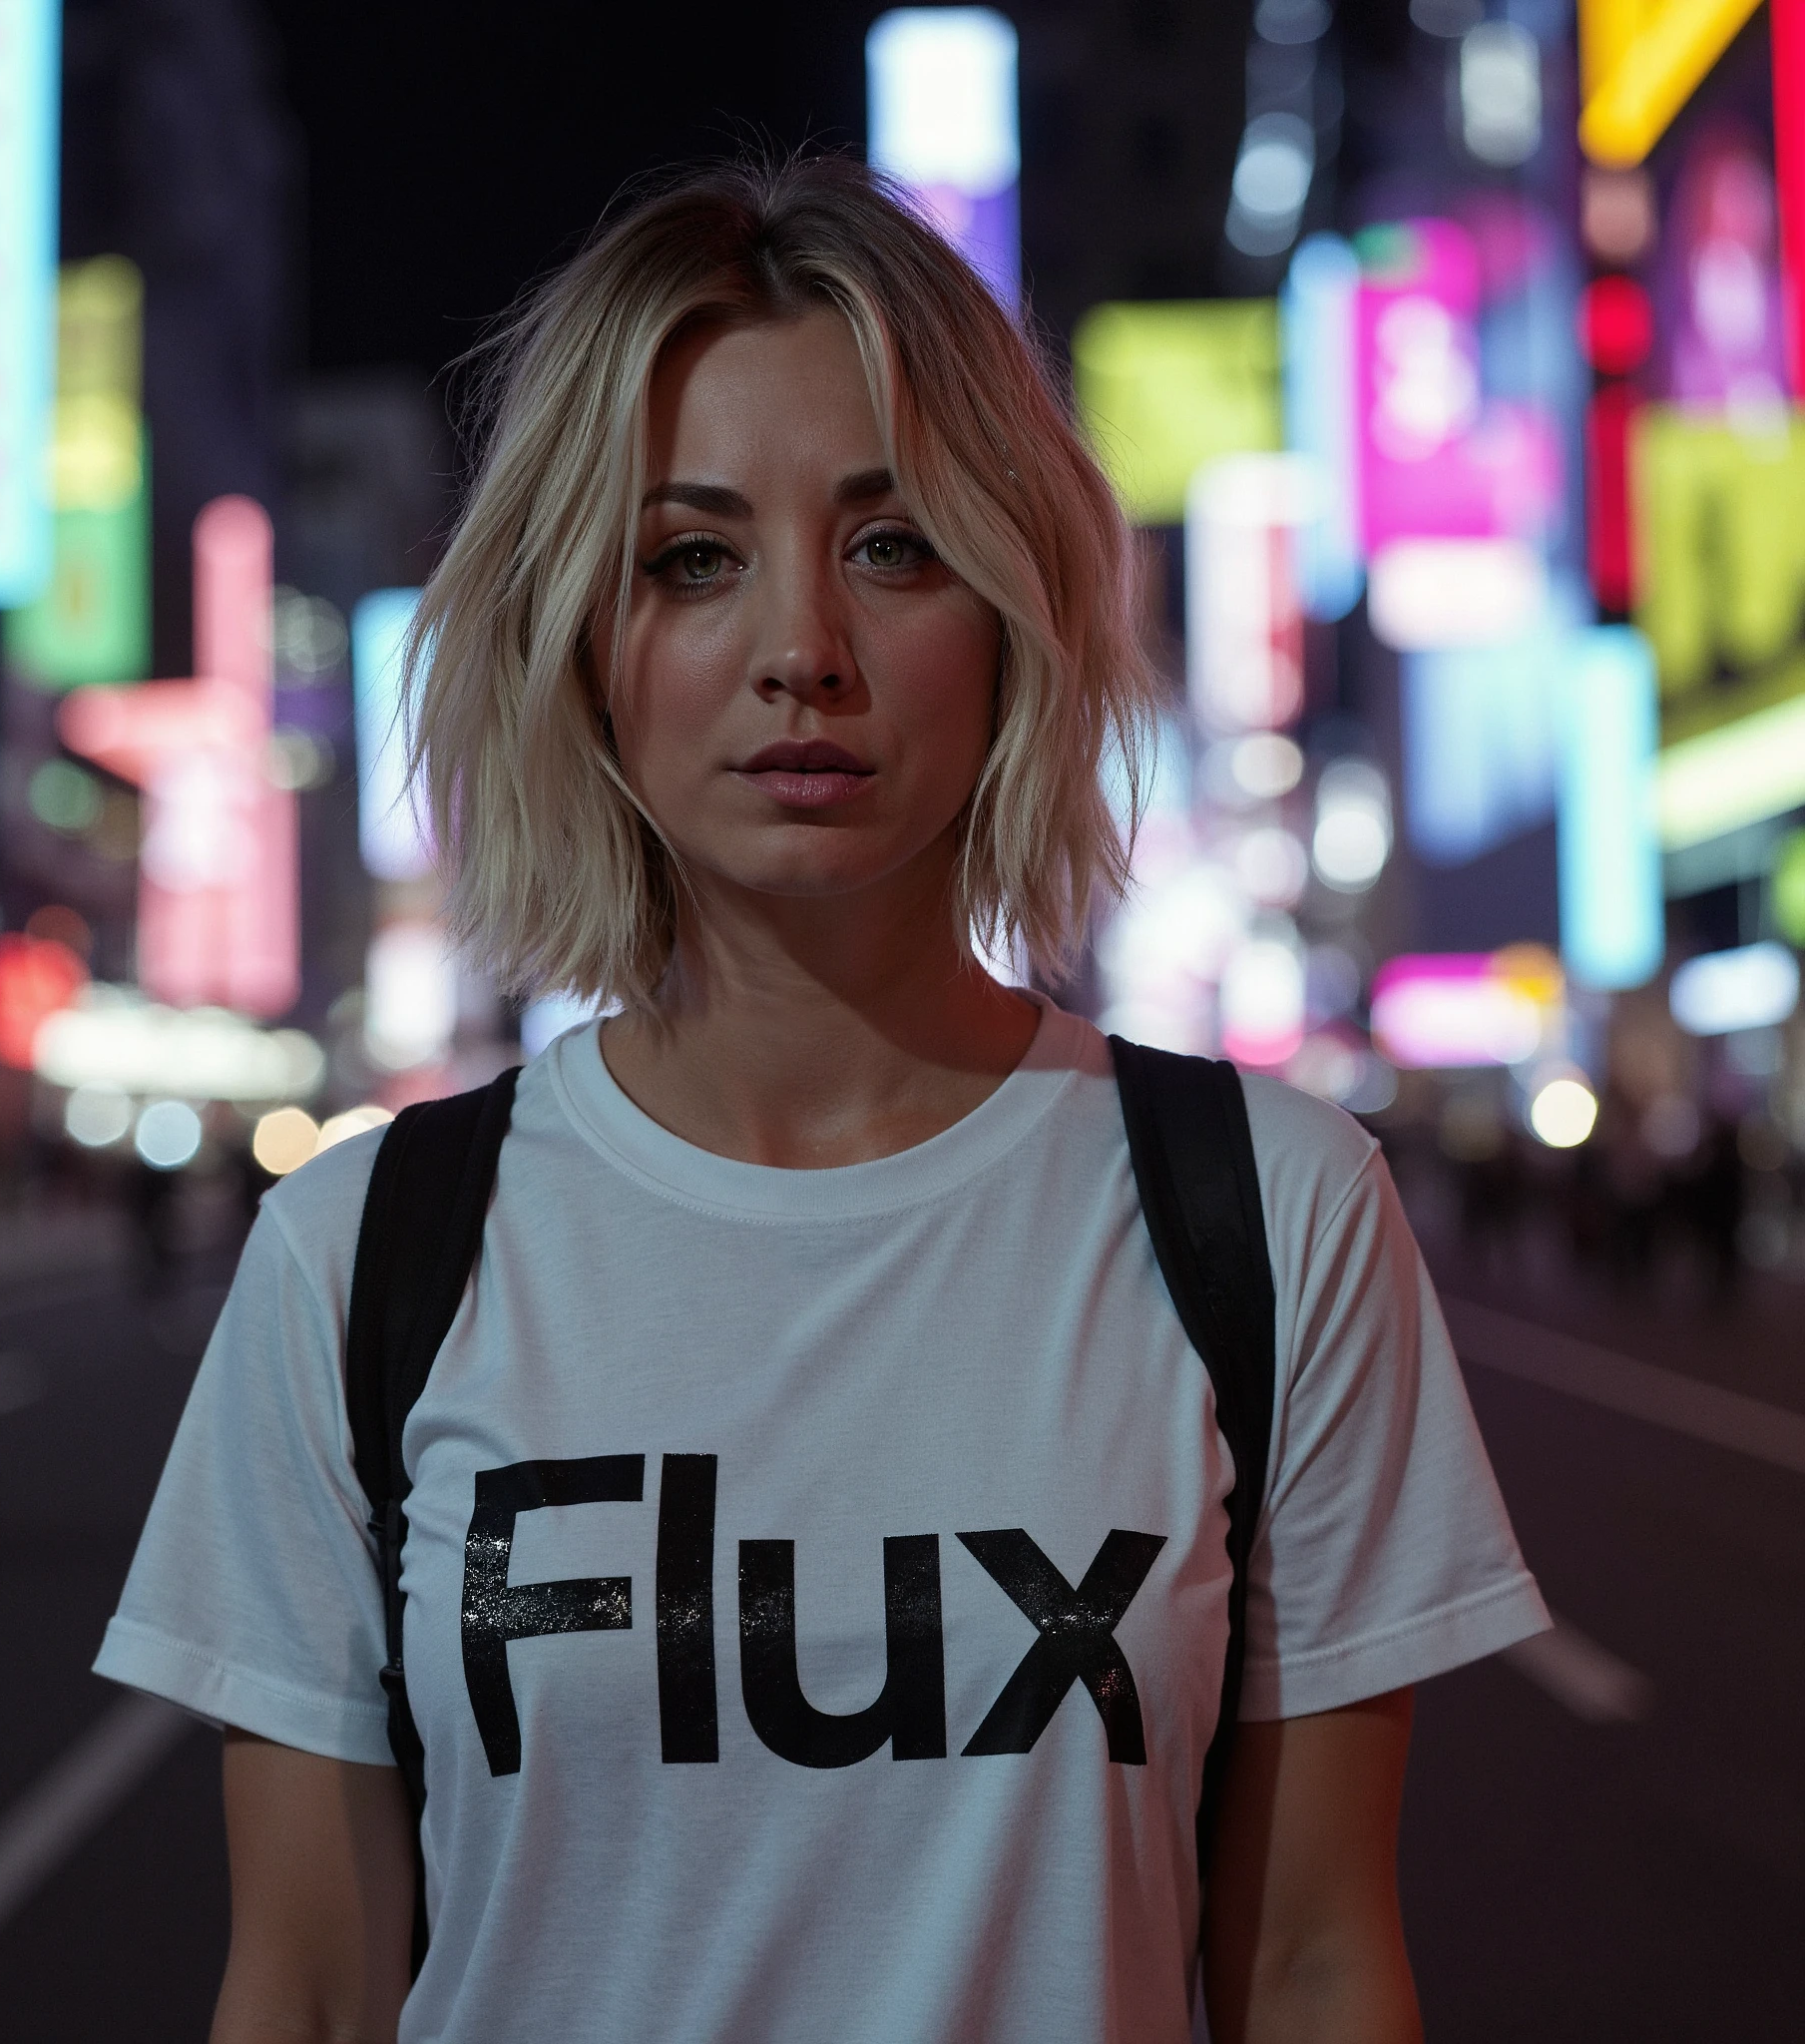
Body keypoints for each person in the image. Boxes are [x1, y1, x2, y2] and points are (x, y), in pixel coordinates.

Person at [97, 156, 1549, 2043]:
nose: (806, 650)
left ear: (1018, 606)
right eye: (692, 557)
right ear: (580, 650)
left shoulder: (1268, 1213)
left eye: (894, 544)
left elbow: (1314, 1963)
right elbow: (300, 1988)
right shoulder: (360, 1255)